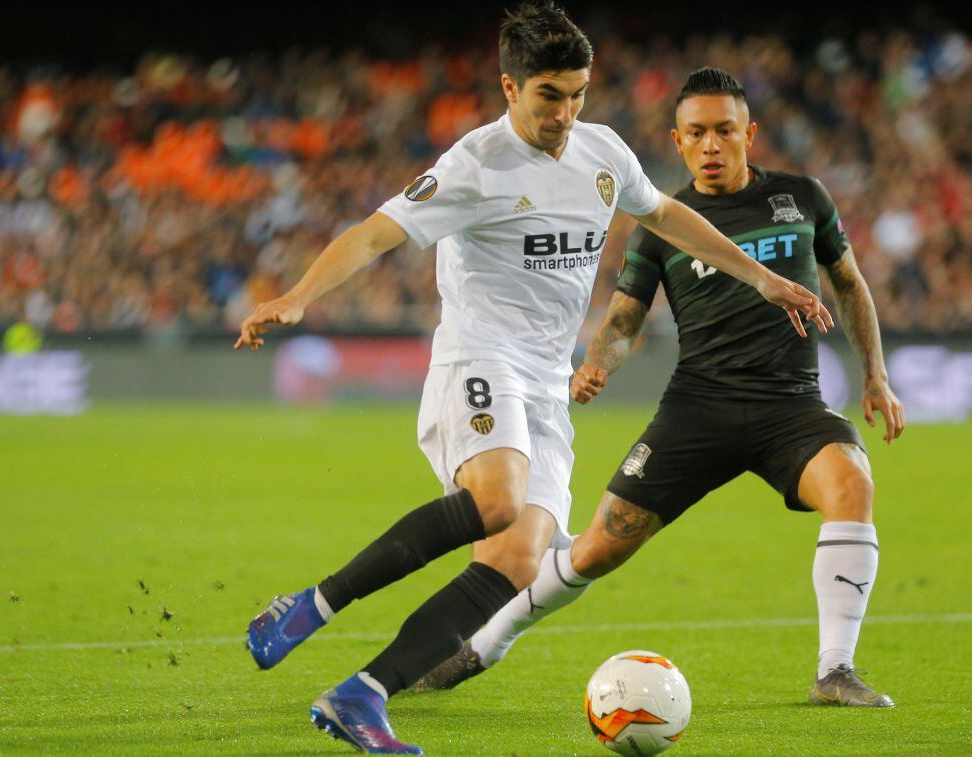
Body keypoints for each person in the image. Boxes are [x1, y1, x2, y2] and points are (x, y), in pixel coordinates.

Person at [236, 11, 833, 752]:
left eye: (579, 94)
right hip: (479, 358)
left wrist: (763, 278)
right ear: (510, 86)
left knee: (518, 560)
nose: (566, 113)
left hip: (546, 383)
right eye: (550, 95)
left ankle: (362, 694)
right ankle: (311, 605)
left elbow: (668, 214)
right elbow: (374, 232)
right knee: (497, 499)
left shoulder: (602, 151)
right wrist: (299, 294)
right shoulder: (475, 165)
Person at [412, 67, 904, 708]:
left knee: (853, 484)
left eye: (724, 130)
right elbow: (623, 317)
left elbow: (850, 283)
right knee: (594, 550)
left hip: (793, 406)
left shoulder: (803, 197)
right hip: (697, 409)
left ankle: (835, 671)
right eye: (696, 132)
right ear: (677, 142)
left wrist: (876, 375)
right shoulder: (663, 223)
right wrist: (599, 364)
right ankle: (482, 645)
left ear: (748, 133)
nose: (710, 144)